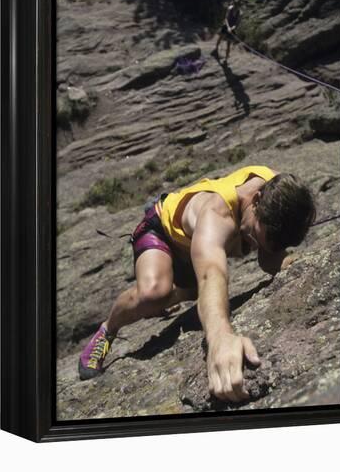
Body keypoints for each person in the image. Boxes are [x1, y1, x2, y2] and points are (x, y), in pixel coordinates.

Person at [78, 165, 316, 402]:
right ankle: (107, 330)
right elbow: (210, 274)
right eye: (254, 235)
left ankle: (180, 290)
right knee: (153, 294)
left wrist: (294, 262)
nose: (255, 245)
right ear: (255, 200)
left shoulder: (280, 196)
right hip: (162, 231)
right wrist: (220, 337)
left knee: (196, 292)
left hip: (197, 246)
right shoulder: (216, 215)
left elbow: (269, 259)